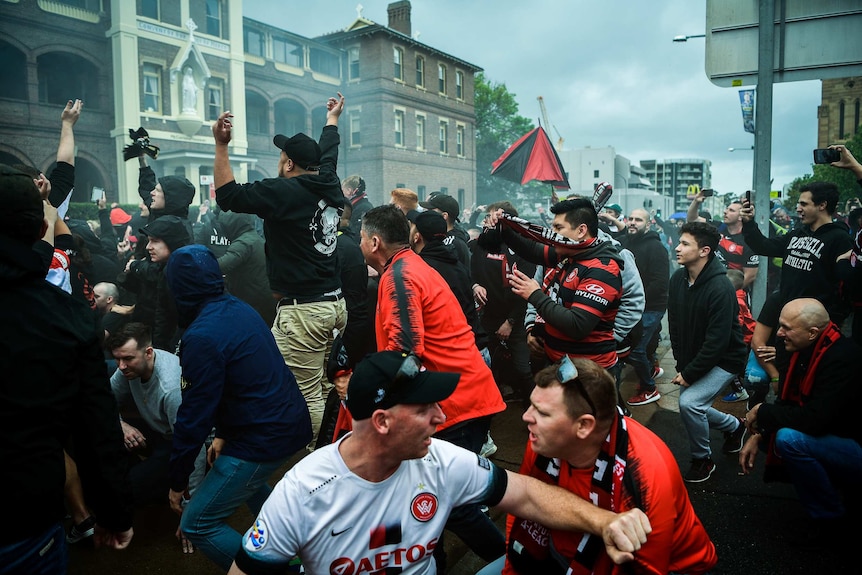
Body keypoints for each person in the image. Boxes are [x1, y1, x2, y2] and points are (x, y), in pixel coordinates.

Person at [226, 351, 652, 575]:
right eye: (426, 407)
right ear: (382, 421)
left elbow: (526, 494)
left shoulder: (441, 460)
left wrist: (603, 522)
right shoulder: (303, 490)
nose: (441, 417)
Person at [0, 164, 134, 572]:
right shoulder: (65, 316)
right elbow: (95, 427)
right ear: (38, 225)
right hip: (21, 511)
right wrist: (113, 512)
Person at [360, 205, 507, 570]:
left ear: (374, 242)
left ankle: (513, 562)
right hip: (464, 394)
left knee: (452, 504)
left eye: (361, 239)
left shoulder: (399, 276)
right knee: (430, 497)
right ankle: (434, 562)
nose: (360, 244)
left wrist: (381, 405)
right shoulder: (410, 264)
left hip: (456, 403)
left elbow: (405, 351)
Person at [492, 356, 716, 575]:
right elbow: (523, 507)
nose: (526, 417)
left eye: (542, 412)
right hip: (563, 549)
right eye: (531, 405)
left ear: (583, 426)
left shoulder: (645, 476)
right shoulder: (543, 439)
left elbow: (648, 568)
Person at [165, 244, 312, 570]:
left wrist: (177, 482)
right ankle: (295, 543)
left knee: (197, 523)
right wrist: (223, 437)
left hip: (263, 437)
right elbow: (240, 384)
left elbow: (193, 419)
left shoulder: (201, 336)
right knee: (246, 480)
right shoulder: (237, 307)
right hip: (287, 421)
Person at [214, 94, 346, 446]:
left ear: (288, 163)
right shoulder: (329, 180)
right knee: (322, 385)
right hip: (333, 305)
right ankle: (339, 448)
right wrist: (332, 118)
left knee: (306, 394)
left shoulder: (283, 191)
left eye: (281, 155)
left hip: (306, 311)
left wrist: (221, 145)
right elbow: (330, 148)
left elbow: (227, 196)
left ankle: (320, 466)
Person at [740, 298, 860, 548]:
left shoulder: (844, 358)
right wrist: (760, 434)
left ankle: (831, 517)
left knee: (788, 439)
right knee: (777, 436)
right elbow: (792, 404)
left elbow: (814, 420)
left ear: (812, 332)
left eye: (786, 327)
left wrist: (763, 410)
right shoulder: (806, 349)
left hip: (855, 445)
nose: (779, 333)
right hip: (838, 434)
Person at [479, 198, 623, 370]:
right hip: (560, 362)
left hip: (589, 371)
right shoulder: (569, 252)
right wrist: (505, 230)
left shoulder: (601, 269)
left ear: (581, 231)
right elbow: (532, 250)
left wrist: (535, 295)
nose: (551, 233)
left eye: (558, 228)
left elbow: (577, 325)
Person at [667, 222, 748, 482]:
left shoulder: (720, 287)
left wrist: (690, 373)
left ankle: (703, 460)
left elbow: (718, 341)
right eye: (679, 242)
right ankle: (735, 427)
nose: (677, 248)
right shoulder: (678, 279)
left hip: (725, 358)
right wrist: (682, 363)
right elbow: (675, 325)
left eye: (685, 244)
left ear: (704, 251)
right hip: (695, 357)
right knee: (693, 406)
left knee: (689, 403)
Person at [741, 181, 853, 323]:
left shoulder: (840, 239)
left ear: (822, 205)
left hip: (815, 324)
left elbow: (847, 288)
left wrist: (832, 321)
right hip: (787, 317)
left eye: (804, 204)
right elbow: (763, 246)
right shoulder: (797, 234)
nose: (798, 209)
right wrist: (749, 223)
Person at [471, 201, 537, 406]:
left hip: (515, 317)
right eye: (487, 218)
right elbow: (467, 271)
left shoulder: (522, 248)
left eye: (493, 218)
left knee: (523, 369)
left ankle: (534, 408)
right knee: (484, 364)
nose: (488, 222)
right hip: (488, 316)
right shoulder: (480, 243)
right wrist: (474, 285)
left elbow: (526, 291)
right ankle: (491, 405)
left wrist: (510, 322)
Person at [621, 208, 668, 406]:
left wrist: (634, 299)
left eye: (638, 220)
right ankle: (651, 370)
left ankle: (649, 388)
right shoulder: (624, 243)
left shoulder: (656, 248)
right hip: (631, 306)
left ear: (648, 225)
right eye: (630, 219)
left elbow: (659, 282)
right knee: (644, 346)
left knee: (635, 350)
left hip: (651, 307)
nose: (632, 222)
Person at [688, 193, 759, 288]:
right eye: (727, 209)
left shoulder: (748, 240)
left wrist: (727, 292)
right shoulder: (718, 226)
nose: (725, 212)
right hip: (710, 283)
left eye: (731, 210)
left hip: (733, 290)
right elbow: (692, 219)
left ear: (740, 217)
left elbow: (750, 276)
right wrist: (696, 202)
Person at [419, 193, 471, 267]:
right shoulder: (442, 238)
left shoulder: (452, 244)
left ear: (444, 216)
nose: (426, 213)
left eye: (430, 210)